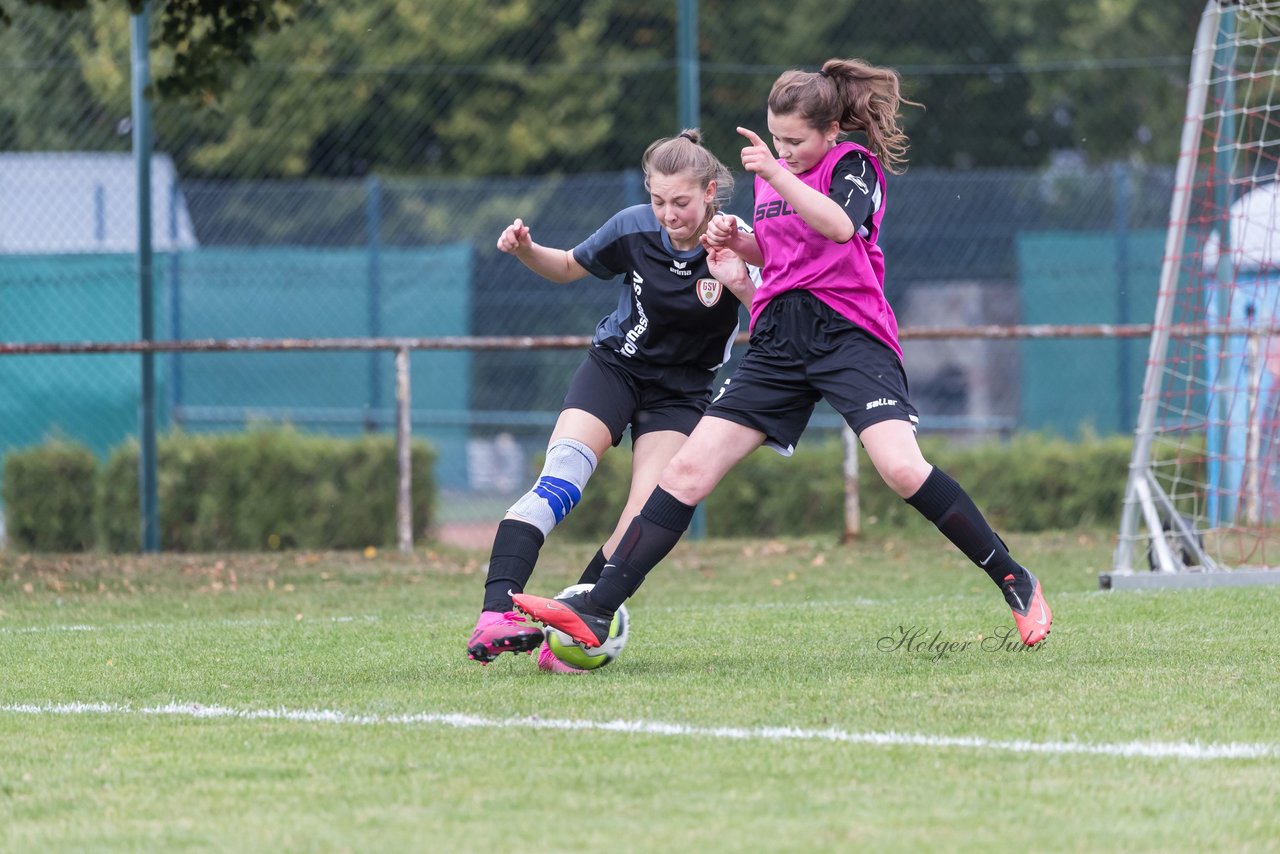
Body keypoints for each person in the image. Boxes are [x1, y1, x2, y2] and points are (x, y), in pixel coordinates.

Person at [513, 58, 1053, 651]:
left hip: (850, 336)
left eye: (795, 140)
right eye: (776, 140)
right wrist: (735, 244)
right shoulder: (774, 179)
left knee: (900, 468)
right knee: (687, 472)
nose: (784, 150)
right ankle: (596, 608)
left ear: (829, 133)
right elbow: (781, 258)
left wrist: (775, 169)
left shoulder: (852, 167)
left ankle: (1014, 578)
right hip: (778, 341)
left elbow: (839, 228)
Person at [467, 130, 760, 673]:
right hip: (615, 368)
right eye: (658, 200)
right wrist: (527, 249)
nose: (668, 215)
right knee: (561, 478)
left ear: (711, 192)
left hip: (680, 394)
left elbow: (769, 305)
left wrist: (739, 279)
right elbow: (569, 267)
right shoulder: (632, 226)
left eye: (681, 202)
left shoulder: (739, 239)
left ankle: (576, 625)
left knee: (642, 518)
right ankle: (493, 615)